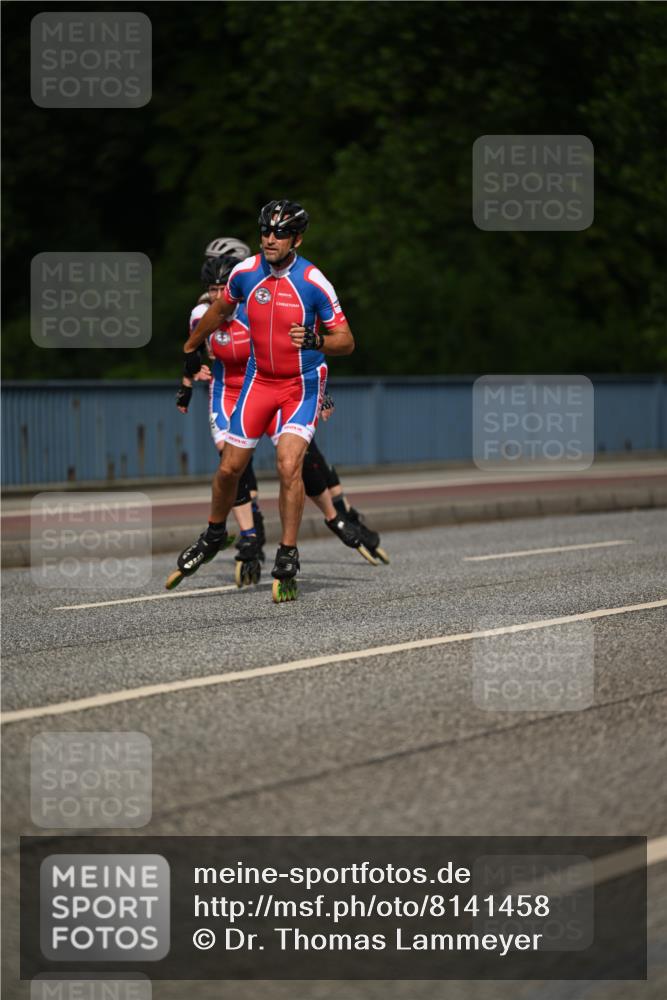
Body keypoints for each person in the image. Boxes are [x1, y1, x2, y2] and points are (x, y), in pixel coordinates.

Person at [174, 199, 355, 602]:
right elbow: (220, 310)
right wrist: (191, 345)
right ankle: (215, 532)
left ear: (297, 238)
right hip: (260, 382)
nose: (270, 239)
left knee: (289, 464)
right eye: (265, 231)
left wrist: (317, 340)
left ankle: (287, 554)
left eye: (280, 233)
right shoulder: (244, 273)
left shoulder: (312, 280)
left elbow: (347, 341)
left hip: (300, 384)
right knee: (229, 469)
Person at [168, 250, 266, 590]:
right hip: (224, 391)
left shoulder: (252, 312)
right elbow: (192, 348)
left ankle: (256, 532)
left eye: (223, 287)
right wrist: (186, 384)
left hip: (259, 387)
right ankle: (249, 537)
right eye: (211, 288)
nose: (217, 294)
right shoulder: (200, 314)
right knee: (229, 462)